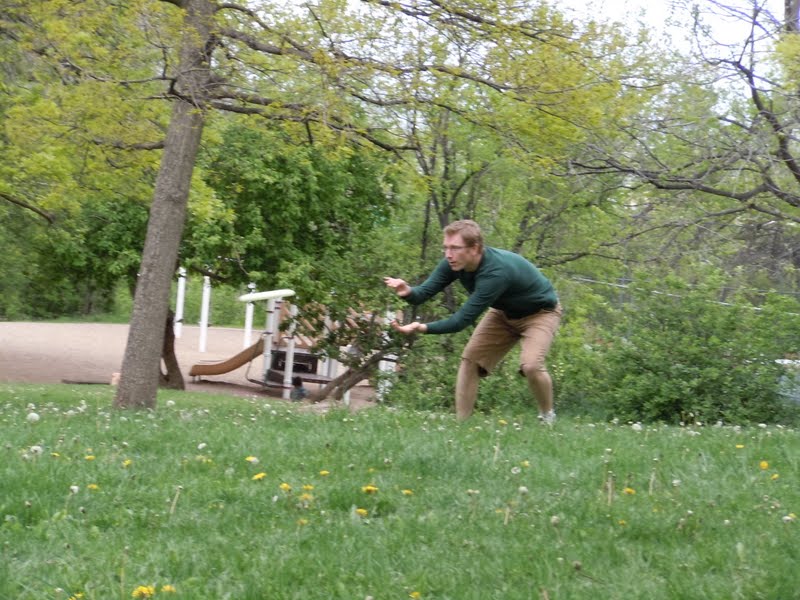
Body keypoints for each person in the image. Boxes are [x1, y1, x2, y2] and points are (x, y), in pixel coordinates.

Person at [384, 219, 562, 422]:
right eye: (446, 247)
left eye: (455, 248)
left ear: (475, 248)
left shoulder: (496, 272)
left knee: (531, 365)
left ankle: (547, 417)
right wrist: (407, 291)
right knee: (471, 360)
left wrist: (422, 327)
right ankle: (462, 424)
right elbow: (423, 293)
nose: (448, 254)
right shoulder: (453, 264)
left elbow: (460, 321)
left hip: (540, 313)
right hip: (503, 313)